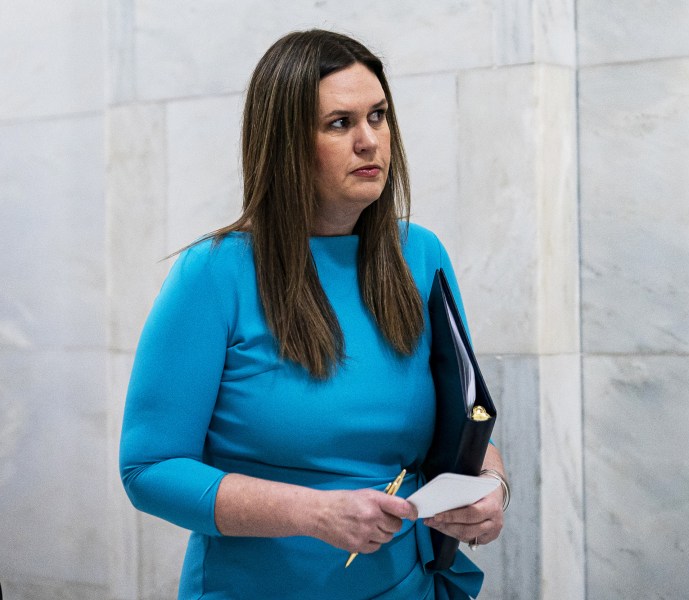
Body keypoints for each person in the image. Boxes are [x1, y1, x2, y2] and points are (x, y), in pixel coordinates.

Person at [119, 29, 509, 600]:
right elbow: (150, 470)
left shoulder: (420, 255)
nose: (369, 141)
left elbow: (463, 420)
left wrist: (493, 487)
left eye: (378, 116)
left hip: (410, 587)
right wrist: (312, 513)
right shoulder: (213, 273)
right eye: (339, 123)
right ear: (285, 144)